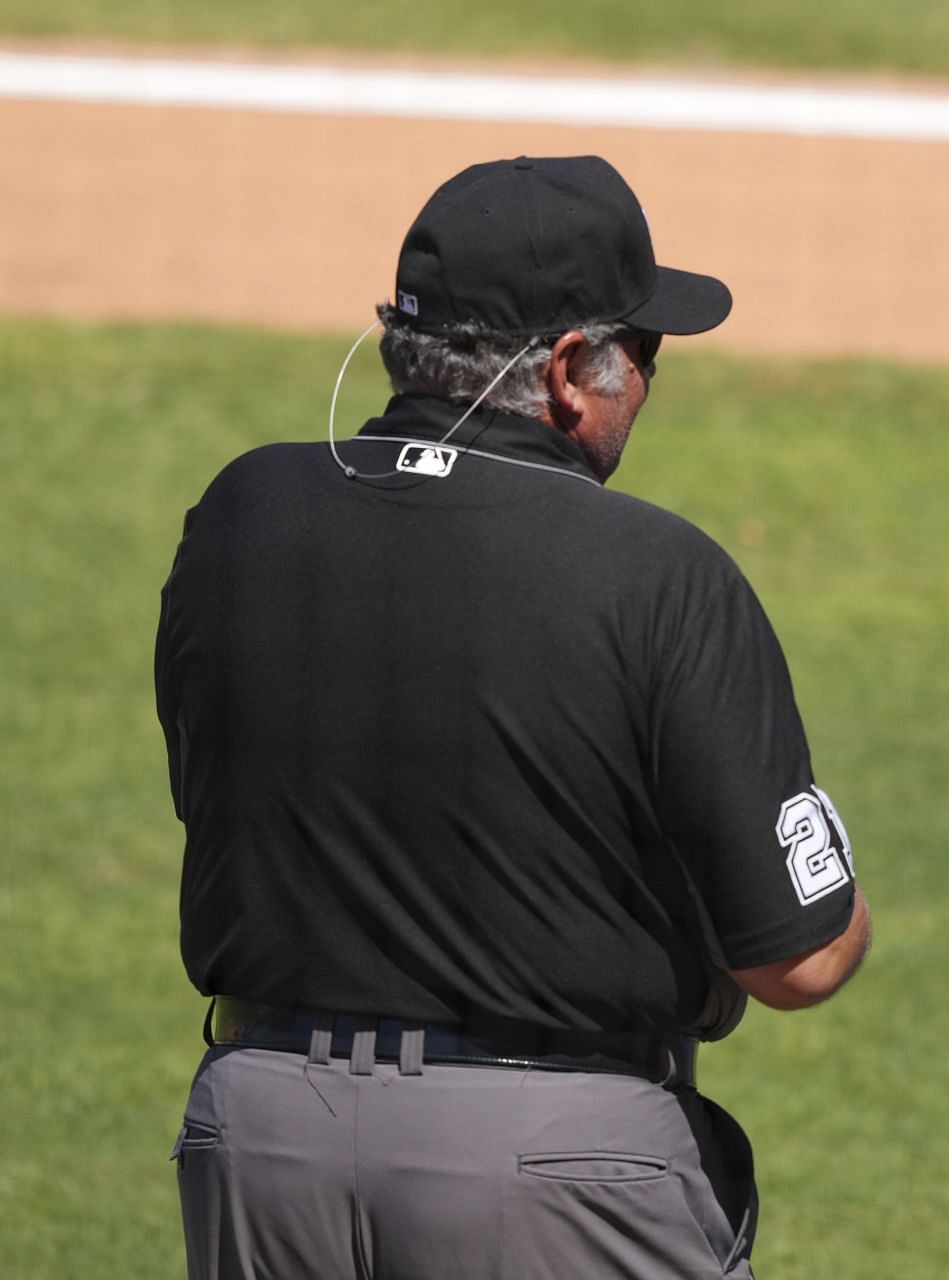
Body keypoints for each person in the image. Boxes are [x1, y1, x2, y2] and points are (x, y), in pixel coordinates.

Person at [156, 154, 871, 1280]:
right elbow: (806, 958)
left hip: (259, 1139)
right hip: (552, 1167)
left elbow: (217, 792)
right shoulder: (653, 572)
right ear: (572, 368)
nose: (647, 383)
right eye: (643, 353)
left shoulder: (239, 515)